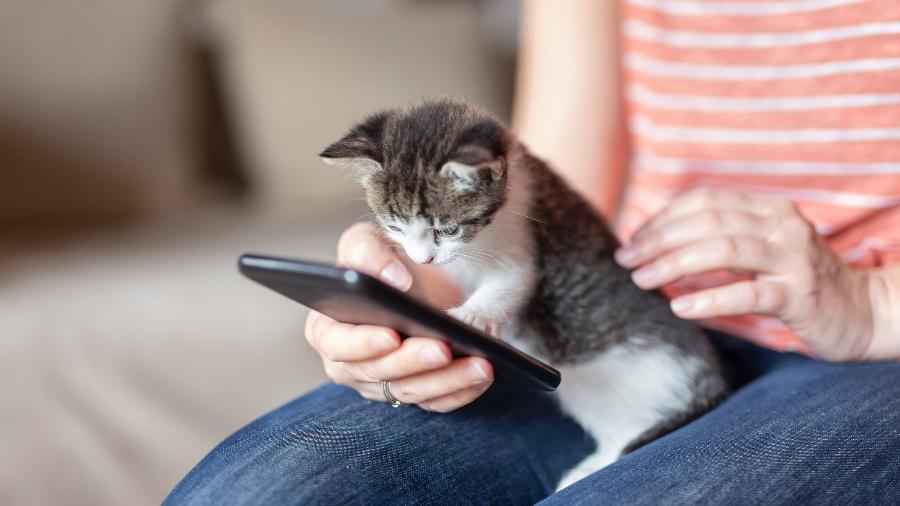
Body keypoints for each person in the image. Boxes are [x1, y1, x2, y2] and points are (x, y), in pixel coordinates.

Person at [166, 1, 900, 503]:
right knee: (257, 491)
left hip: (872, 350)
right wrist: (417, 299)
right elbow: (543, 188)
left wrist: (871, 304)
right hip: (612, 313)